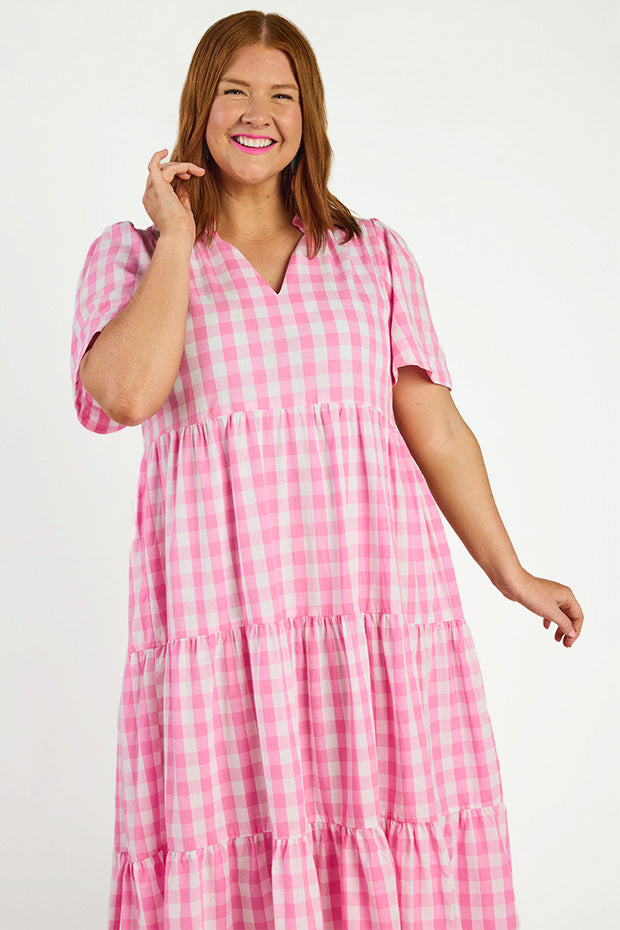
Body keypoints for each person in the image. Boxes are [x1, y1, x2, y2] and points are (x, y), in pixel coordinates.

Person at [70, 10, 584, 930]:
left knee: (386, 844)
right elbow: (128, 394)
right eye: (234, 90)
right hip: (227, 624)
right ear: (199, 105)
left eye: (282, 95)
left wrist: (512, 574)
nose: (256, 113)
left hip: (374, 614)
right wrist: (178, 238)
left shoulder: (371, 254)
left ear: (307, 116)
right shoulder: (135, 257)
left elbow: (436, 430)